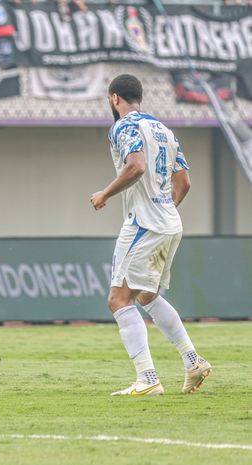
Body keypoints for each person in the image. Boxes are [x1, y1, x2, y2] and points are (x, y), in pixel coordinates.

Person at [90, 74, 212, 396]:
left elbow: (137, 166)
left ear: (114, 98)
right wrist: (164, 208)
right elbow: (183, 182)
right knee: (146, 295)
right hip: (170, 222)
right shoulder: (164, 130)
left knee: (118, 300)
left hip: (143, 224)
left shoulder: (123, 126)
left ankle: (147, 378)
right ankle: (192, 361)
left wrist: (105, 193)